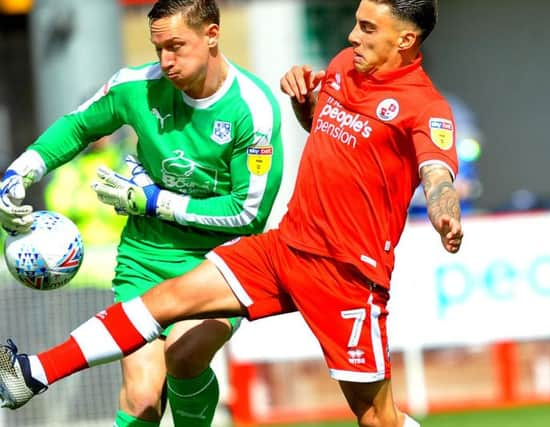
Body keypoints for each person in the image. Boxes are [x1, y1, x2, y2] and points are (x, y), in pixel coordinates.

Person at [0, 0, 462, 426]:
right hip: (284, 247)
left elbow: (436, 169)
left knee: (377, 418)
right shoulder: (344, 68)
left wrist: (446, 211)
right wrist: (308, 106)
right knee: (160, 310)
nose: (351, 37)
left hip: (344, 273)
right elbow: (334, 133)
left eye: (366, 28)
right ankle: (32, 372)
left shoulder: (426, 107)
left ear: (405, 39)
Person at [0, 1, 284, 426]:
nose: (166, 61)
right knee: (142, 398)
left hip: (220, 263)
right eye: (157, 49)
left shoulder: (253, 110)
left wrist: (157, 201)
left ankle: (34, 372)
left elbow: (247, 214)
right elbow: (79, 125)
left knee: (184, 357)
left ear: (211, 34)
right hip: (145, 257)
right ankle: (31, 375)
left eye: (176, 46)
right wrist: (21, 170)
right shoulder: (135, 87)